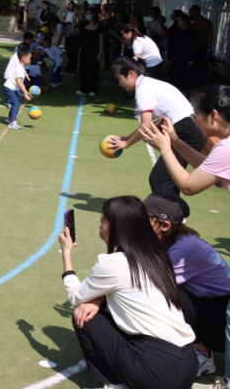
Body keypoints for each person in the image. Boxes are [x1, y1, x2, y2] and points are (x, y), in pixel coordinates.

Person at [58, 196, 197, 389]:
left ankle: (115, 384)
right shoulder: (158, 255)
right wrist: (98, 298)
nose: (100, 226)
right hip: (188, 366)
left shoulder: (112, 264)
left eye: (102, 221)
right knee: (98, 306)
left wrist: (66, 255)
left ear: (115, 227)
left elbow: (75, 296)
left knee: (83, 315)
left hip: (155, 372)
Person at [144, 192, 230, 380]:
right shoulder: (177, 239)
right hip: (215, 311)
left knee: (163, 293)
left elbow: (142, 284)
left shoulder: (183, 250)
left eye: (143, 219)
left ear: (165, 226)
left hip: (221, 321)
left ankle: (202, 355)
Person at [109, 57, 209, 195]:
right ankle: (171, 214)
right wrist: (127, 138)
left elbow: (145, 127)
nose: (120, 84)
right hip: (187, 131)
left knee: (160, 178)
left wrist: (126, 144)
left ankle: (166, 215)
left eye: (119, 79)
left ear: (131, 74)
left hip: (186, 133)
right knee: (168, 178)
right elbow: (148, 126)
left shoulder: (144, 90)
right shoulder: (147, 84)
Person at [138, 84, 230, 197]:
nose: (193, 120)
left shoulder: (226, 148)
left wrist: (165, 149)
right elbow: (208, 163)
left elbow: (188, 187)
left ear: (213, 115)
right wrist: (175, 141)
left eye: (195, 114)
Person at [165, 11, 199, 92]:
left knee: (185, 80)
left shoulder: (192, 33)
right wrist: (169, 57)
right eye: (177, 20)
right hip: (176, 59)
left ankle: (185, 95)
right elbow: (171, 45)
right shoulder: (176, 32)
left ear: (185, 21)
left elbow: (194, 47)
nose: (178, 22)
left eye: (180, 20)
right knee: (174, 79)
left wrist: (191, 58)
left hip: (186, 59)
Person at [4, 44, 33, 130]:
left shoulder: (20, 67)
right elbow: (19, 83)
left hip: (11, 88)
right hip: (9, 88)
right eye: (29, 58)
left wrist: (26, 74)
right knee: (16, 103)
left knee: (16, 102)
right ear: (24, 58)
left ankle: (10, 118)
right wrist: (25, 92)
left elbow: (22, 72)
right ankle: (12, 122)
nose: (30, 60)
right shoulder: (20, 68)